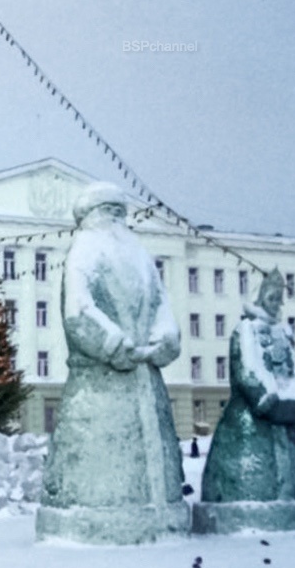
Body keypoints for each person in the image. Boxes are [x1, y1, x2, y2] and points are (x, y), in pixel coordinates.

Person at [37, 182, 189, 544]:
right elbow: (161, 313)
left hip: (107, 383)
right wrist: (156, 344)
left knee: (95, 476)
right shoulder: (132, 252)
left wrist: (121, 346)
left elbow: (79, 312)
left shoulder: (89, 247)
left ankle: (98, 515)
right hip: (130, 381)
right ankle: (156, 512)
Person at [200, 270, 295, 504]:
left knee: (288, 470)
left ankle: (288, 495)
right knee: (250, 478)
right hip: (249, 420)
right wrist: (263, 396)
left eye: (279, 299)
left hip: (283, 415)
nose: (275, 304)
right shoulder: (246, 330)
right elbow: (246, 370)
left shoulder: (283, 332)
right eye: (271, 298)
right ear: (261, 298)